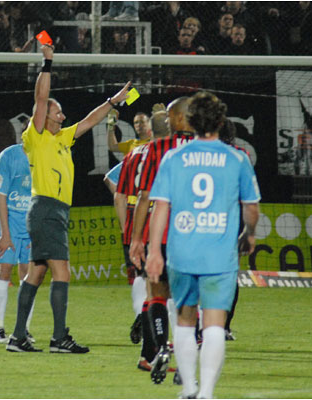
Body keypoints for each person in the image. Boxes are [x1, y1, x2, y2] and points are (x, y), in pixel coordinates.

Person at [5, 44, 131, 353]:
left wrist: (113, 102)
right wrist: (47, 64)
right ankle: (59, 337)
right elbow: (40, 99)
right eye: (56, 110)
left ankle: (18, 337)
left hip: (52, 211)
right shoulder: (36, 136)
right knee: (63, 271)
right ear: (45, 116)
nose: (62, 113)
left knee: (37, 272)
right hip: (46, 208)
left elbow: (91, 119)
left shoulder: (62, 138)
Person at [145, 91, 260, 398]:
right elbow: (251, 207)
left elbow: (160, 208)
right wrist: (249, 233)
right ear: (221, 122)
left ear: (191, 122)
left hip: (183, 254)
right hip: (218, 256)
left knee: (184, 320)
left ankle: (189, 389)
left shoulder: (174, 157)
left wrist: (154, 251)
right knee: (213, 324)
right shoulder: (237, 158)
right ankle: (206, 392)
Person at [130, 96, 195, 384]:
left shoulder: (156, 149)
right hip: (195, 237)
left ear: (180, 119)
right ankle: (186, 362)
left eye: (169, 117)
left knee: (156, 294)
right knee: (189, 304)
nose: (166, 122)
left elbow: (144, 197)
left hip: (162, 234)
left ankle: (158, 349)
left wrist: (136, 238)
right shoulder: (206, 150)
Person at [117, 110, 172, 371]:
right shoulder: (169, 153)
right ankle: (159, 346)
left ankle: (148, 349)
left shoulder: (133, 154)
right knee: (165, 293)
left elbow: (121, 194)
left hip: (135, 226)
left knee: (146, 283)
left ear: (149, 130)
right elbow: (146, 195)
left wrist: (127, 231)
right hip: (161, 228)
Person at [0, 143, 37, 345]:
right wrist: (5, 234)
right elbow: (1, 197)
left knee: (29, 274)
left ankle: (24, 328)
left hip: (31, 224)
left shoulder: (46, 153)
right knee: (4, 270)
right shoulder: (8, 155)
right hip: (7, 223)